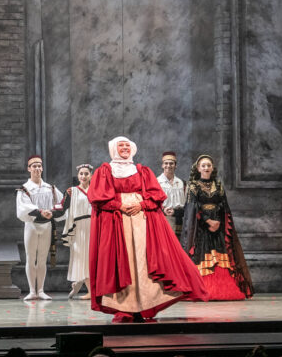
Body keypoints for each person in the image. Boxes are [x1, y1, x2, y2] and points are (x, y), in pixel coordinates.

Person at [88, 136, 208, 323]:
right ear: (113, 148)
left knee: (142, 261)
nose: (125, 148)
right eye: (121, 145)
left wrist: (142, 204)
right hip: (117, 222)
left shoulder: (141, 171)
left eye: (128, 145)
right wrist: (118, 205)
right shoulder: (105, 171)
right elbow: (98, 197)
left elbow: (155, 195)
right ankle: (125, 307)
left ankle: (144, 304)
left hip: (141, 221)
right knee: (123, 261)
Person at [180, 154, 253, 300]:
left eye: (208, 165)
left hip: (217, 227)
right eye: (203, 165)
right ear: (198, 168)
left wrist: (217, 221)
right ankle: (204, 290)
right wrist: (207, 221)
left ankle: (223, 290)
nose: (206, 168)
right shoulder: (193, 185)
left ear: (212, 168)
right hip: (201, 228)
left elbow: (223, 204)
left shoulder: (218, 184)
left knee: (221, 257)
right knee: (202, 256)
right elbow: (193, 207)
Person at [16, 155, 63, 301]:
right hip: (32, 226)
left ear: (42, 168)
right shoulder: (24, 189)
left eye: (39, 166)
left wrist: (52, 212)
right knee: (31, 258)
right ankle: (32, 290)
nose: (37, 168)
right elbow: (23, 208)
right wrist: (41, 211)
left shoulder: (50, 188)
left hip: (46, 226)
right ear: (29, 169)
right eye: (34, 166)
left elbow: (60, 203)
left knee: (42, 259)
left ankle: (41, 290)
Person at [61, 163, 93, 300]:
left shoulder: (96, 190)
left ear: (91, 175)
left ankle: (83, 285)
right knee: (81, 256)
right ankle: (85, 286)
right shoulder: (72, 191)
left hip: (93, 225)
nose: (84, 176)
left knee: (91, 257)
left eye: (86, 174)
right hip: (79, 226)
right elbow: (62, 207)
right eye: (81, 174)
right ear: (78, 176)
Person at [157, 151, 186, 238]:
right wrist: (163, 210)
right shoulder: (156, 182)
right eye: (166, 163)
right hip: (161, 219)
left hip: (178, 220)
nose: (168, 166)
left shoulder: (182, 183)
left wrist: (175, 212)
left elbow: (186, 206)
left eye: (171, 163)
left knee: (177, 245)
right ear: (162, 165)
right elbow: (151, 204)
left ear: (175, 165)